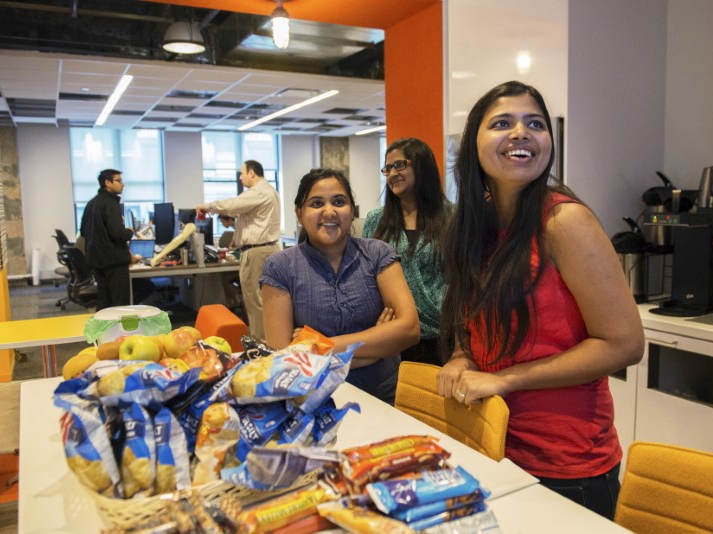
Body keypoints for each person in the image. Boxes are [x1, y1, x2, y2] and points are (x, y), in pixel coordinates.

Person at [436, 81, 644, 519]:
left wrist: (506, 379)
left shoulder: (564, 222)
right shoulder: (475, 227)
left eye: (535, 123)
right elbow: (468, 317)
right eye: (502, 123)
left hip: (567, 465)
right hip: (490, 442)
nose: (521, 133)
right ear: (474, 143)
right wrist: (460, 356)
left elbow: (623, 344)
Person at [260, 168, 420, 404]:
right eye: (316, 203)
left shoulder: (377, 254)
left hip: (385, 399)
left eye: (339, 201)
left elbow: (409, 330)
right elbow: (283, 360)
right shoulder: (280, 266)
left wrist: (319, 345)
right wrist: (376, 346)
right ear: (299, 213)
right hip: (314, 401)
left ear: (351, 209)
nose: (329, 211)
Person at [363, 138, 452, 365]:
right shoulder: (377, 220)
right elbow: (366, 276)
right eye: (388, 168)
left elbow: (467, 275)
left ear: (422, 166)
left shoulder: (452, 217)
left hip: (444, 335)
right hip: (393, 333)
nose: (393, 173)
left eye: (400, 165)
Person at [196, 160, 280, 340]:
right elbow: (238, 211)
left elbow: (233, 204)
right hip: (261, 249)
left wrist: (208, 206)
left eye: (242, 173)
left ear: (252, 173)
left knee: (255, 300)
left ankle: (261, 342)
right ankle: (265, 339)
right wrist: (219, 211)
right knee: (258, 299)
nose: (240, 177)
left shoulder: (259, 191)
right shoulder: (265, 192)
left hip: (257, 251)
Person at [80, 168, 135, 311]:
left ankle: (102, 332)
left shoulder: (91, 203)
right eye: (118, 180)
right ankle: (119, 333)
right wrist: (129, 232)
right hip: (114, 261)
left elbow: (83, 232)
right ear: (107, 183)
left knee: (104, 301)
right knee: (119, 304)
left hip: (98, 261)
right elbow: (117, 234)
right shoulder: (111, 203)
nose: (122, 184)